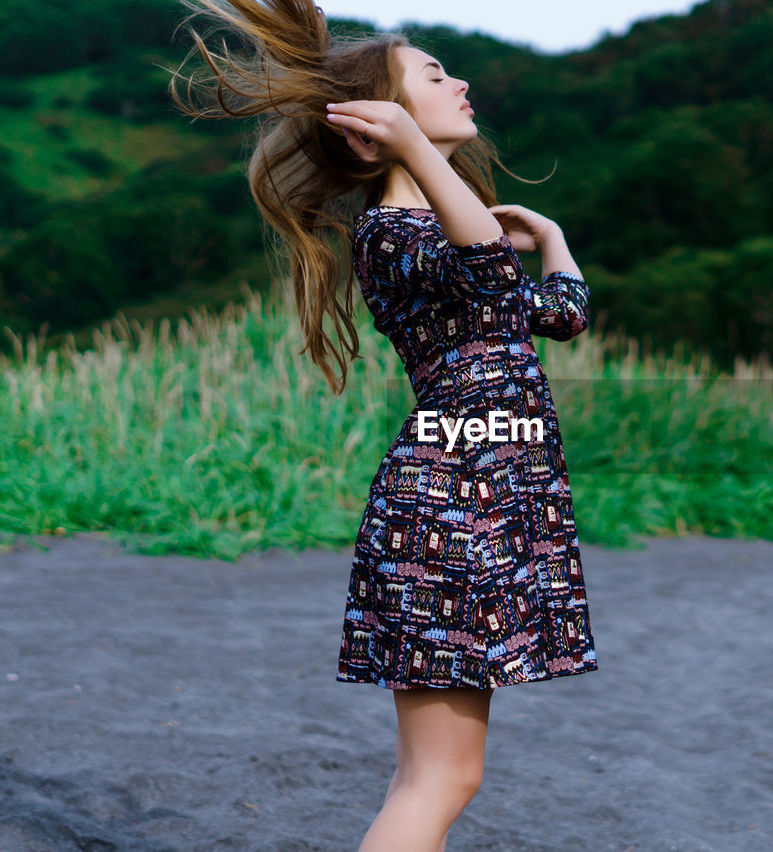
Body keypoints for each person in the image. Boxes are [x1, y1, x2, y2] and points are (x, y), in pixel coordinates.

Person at [168, 4, 598, 850]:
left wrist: (547, 234)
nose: (461, 81)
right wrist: (412, 151)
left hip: (489, 505)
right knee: (440, 777)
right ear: (376, 133)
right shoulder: (394, 234)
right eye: (434, 77)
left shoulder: (437, 229)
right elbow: (485, 268)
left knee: (441, 775)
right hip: (450, 509)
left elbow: (558, 313)